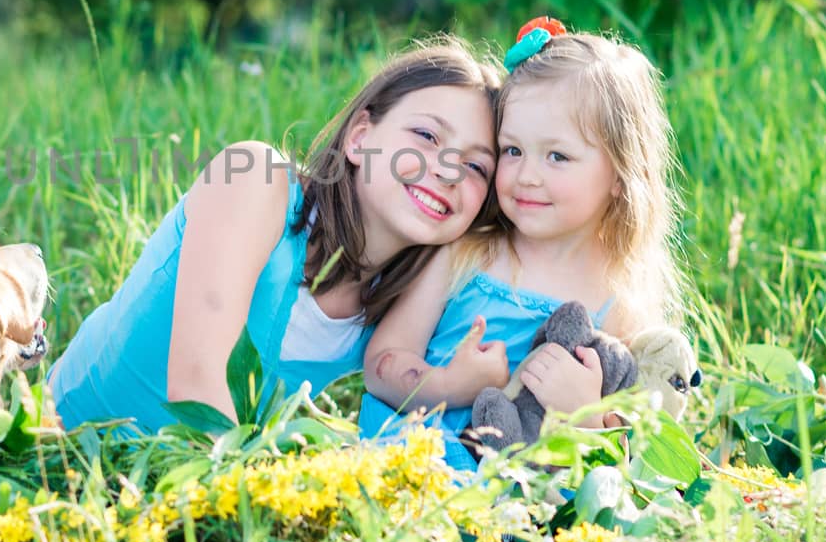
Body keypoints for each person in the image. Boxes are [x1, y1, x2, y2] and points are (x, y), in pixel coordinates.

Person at [48, 39, 505, 433]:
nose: (446, 171)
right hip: (62, 460)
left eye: (475, 166)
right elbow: (197, 387)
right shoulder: (254, 181)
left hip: (193, 494)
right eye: (426, 135)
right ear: (360, 137)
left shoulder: (406, 297)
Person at [360, 18, 684, 471]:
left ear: (619, 175)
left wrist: (584, 413)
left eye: (557, 156)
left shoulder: (617, 299)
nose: (527, 175)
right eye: (512, 150)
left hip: (525, 487)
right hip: (417, 451)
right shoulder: (467, 253)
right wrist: (451, 384)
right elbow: (380, 364)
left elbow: (631, 456)